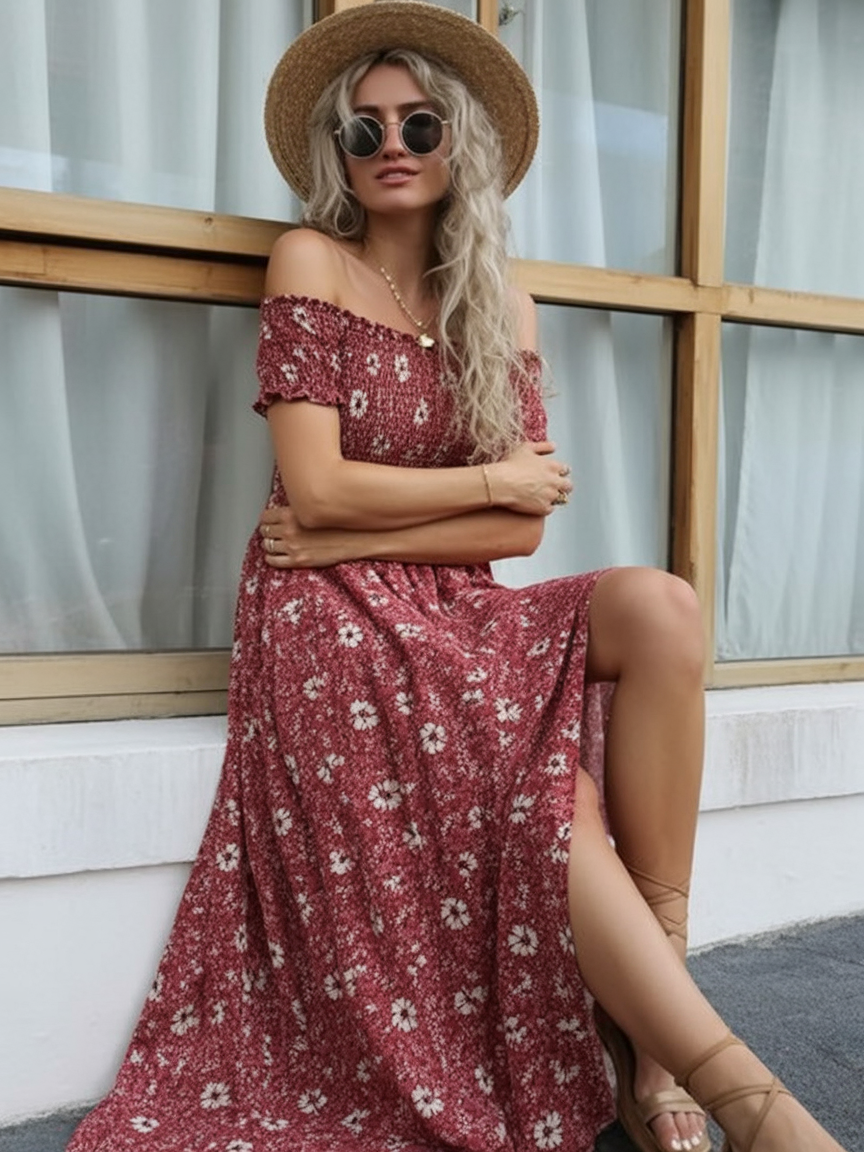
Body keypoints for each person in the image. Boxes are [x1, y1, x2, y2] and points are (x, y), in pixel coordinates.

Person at [68, 5, 848, 1152]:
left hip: (447, 600)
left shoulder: (501, 303)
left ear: (459, 144)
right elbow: (317, 486)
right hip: (324, 616)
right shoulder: (310, 261)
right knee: (545, 790)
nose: (391, 144)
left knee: (663, 607)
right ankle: (736, 1094)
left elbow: (519, 534)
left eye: (420, 124)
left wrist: (375, 523)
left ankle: (653, 1036)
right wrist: (481, 482)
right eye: (365, 128)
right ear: (339, 153)